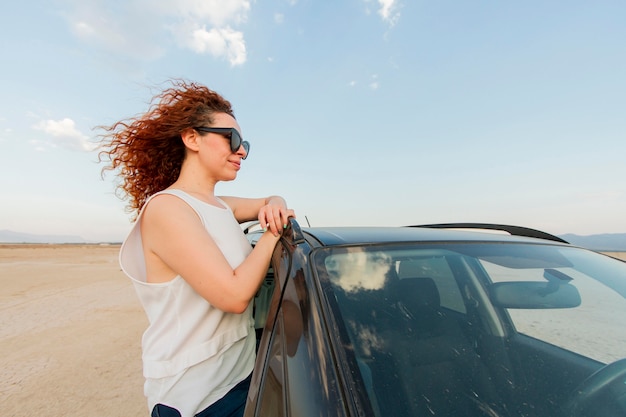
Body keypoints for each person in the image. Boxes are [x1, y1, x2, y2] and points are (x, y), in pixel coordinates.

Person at [98, 79, 295, 417]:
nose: (242, 151)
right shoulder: (168, 209)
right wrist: (272, 231)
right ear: (192, 139)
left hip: (242, 374)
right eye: (231, 139)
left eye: (244, 142)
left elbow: (268, 199)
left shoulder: (216, 205)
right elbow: (233, 296)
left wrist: (275, 202)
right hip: (197, 397)